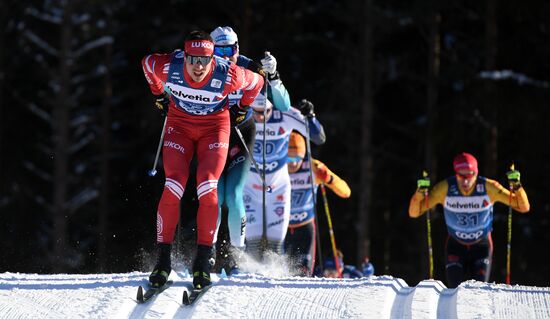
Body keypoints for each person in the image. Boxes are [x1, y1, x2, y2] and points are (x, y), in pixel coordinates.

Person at [141, 30, 264, 289]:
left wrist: (242, 108)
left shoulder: (227, 74)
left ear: (212, 60)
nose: (198, 66)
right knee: (173, 185)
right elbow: (147, 64)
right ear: (183, 57)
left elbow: (257, 83)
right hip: (180, 126)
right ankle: (163, 262)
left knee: (208, 188)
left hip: (214, 129)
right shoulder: (168, 66)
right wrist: (158, 95)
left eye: (204, 60)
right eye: (193, 59)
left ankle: (203, 262)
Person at [209, 26, 291, 274]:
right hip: (210, 135)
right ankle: (209, 253)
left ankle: (237, 257)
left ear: (238, 49)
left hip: (241, 137)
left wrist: (274, 75)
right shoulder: (203, 66)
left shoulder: (250, 67)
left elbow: (283, 105)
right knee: (213, 196)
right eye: (220, 50)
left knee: (232, 196)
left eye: (231, 49)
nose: (226, 56)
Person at [408, 152, 530, 288]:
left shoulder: (489, 188)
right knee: (454, 290)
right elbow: (414, 212)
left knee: (479, 291)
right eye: (461, 176)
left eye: (469, 175)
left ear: (476, 173)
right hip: (456, 246)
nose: (465, 181)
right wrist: (420, 192)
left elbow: (523, 207)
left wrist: (517, 186)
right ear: (455, 173)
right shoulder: (445, 188)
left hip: (481, 246)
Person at [243, 99, 326, 262]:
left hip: (278, 187)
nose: (260, 117)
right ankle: (245, 274)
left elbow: (319, 138)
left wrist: (311, 117)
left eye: (264, 112)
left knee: (276, 243)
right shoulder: (243, 112)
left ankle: (276, 278)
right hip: (250, 187)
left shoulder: (285, 113)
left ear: (272, 107)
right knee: (252, 240)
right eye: (256, 112)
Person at [284, 131, 351, 276]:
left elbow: (346, 192)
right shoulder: (277, 165)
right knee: (280, 270)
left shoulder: (313, 167)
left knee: (304, 272)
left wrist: (328, 179)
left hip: (305, 226)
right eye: (289, 158)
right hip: (280, 227)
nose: (293, 163)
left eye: (298, 157)